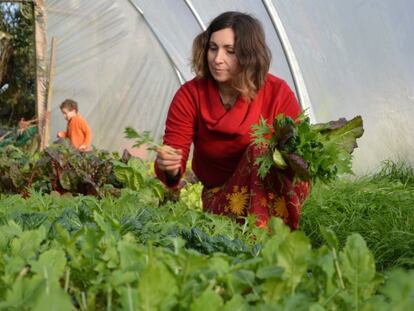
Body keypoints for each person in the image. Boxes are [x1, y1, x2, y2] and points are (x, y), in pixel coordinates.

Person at [154, 11, 309, 229]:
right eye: (213, 48)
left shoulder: (277, 93)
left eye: (230, 51)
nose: (217, 59)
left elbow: (302, 152)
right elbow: (174, 154)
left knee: (261, 150)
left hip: (275, 200)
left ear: (249, 55)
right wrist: (169, 167)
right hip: (223, 201)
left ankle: (276, 239)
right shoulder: (190, 95)